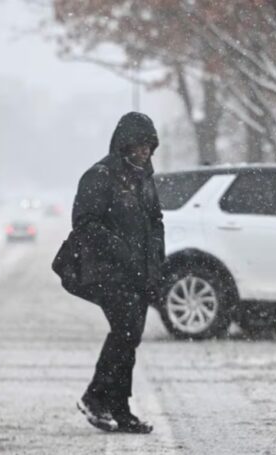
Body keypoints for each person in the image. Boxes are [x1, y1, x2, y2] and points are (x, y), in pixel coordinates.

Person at [73, 112, 165, 434]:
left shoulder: (144, 179)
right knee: (125, 331)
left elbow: (155, 222)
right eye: (140, 145)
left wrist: (156, 264)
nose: (145, 152)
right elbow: (85, 224)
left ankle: (118, 407)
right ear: (125, 143)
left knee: (130, 337)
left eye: (149, 146)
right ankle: (95, 396)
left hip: (139, 273)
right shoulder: (100, 176)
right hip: (108, 272)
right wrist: (120, 249)